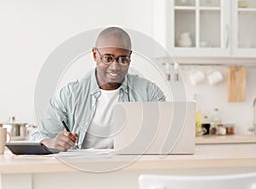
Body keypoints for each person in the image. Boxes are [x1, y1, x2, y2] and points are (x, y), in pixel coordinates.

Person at [30, 27, 166, 151]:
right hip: (80, 170)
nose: (115, 67)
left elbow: (166, 135)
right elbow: (37, 136)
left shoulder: (149, 93)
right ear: (95, 55)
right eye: (108, 58)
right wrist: (52, 142)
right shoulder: (70, 95)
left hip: (130, 168)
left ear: (130, 58)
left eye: (123, 59)